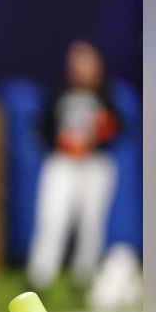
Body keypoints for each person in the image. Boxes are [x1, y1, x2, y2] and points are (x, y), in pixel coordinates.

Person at [26, 40, 121, 291]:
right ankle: (41, 277)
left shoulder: (106, 95)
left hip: (95, 164)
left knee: (92, 221)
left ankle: (84, 277)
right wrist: (62, 142)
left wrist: (102, 131)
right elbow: (42, 128)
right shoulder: (59, 93)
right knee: (53, 217)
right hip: (63, 162)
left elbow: (118, 130)